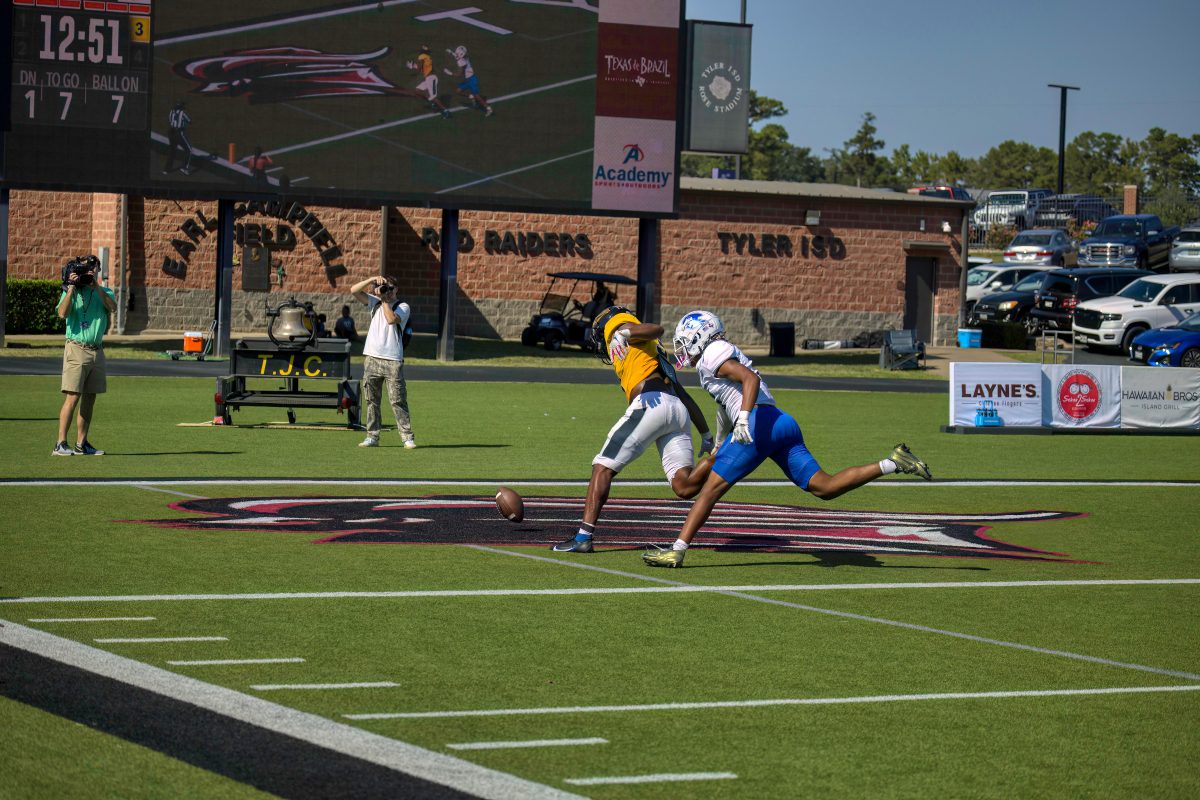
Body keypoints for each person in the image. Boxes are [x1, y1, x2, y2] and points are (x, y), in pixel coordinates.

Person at [642, 310, 932, 568]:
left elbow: (750, 380)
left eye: (685, 340)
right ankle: (893, 462)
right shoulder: (717, 356)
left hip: (757, 422)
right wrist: (719, 440)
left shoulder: (712, 353)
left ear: (700, 336)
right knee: (824, 486)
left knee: (710, 490)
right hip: (780, 421)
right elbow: (725, 405)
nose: (682, 347)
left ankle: (677, 550)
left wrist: (743, 419)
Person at [552, 305, 715, 553]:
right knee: (684, 486)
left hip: (651, 405)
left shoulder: (618, 326)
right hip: (676, 410)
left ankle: (583, 538)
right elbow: (683, 395)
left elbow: (657, 328)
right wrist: (706, 434)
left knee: (602, 466)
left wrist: (622, 333)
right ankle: (719, 458)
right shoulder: (652, 350)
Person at [53, 256, 117, 456]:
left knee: (90, 398)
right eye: (88, 268)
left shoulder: (104, 292)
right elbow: (62, 313)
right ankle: (60, 444)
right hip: (76, 348)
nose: (90, 271)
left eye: (94, 268)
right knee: (73, 396)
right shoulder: (70, 291)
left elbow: (112, 307)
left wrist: (95, 286)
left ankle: (82, 444)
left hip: (96, 350)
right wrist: (71, 288)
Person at [351, 275, 415, 449]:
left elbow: (391, 319)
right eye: (386, 287)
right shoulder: (375, 302)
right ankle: (372, 436)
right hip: (372, 357)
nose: (388, 291)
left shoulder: (403, 306)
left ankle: (407, 437)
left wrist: (384, 299)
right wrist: (371, 280)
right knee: (371, 400)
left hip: (393, 359)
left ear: (397, 289)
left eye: (391, 288)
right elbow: (354, 290)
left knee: (397, 400)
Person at [442, 45, 493, 116]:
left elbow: (459, 74)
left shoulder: (462, 62)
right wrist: (451, 52)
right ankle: (470, 96)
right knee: (458, 91)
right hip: (467, 79)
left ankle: (488, 108)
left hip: (472, 79)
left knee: (477, 96)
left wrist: (450, 73)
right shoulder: (463, 57)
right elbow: (457, 56)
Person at [404, 45, 451, 119]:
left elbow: (419, 68)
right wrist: (413, 65)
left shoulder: (421, 56)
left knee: (433, 97)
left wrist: (412, 66)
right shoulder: (428, 57)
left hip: (431, 79)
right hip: (429, 78)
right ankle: (432, 103)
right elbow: (422, 68)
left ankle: (446, 111)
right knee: (418, 90)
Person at [163, 101, 195, 174]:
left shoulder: (171, 112)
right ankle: (185, 168)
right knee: (189, 150)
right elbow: (189, 121)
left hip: (171, 132)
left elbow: (170, 121)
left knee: (172, 151)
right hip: (179, 133)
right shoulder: (182, 113)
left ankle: (166, 170)